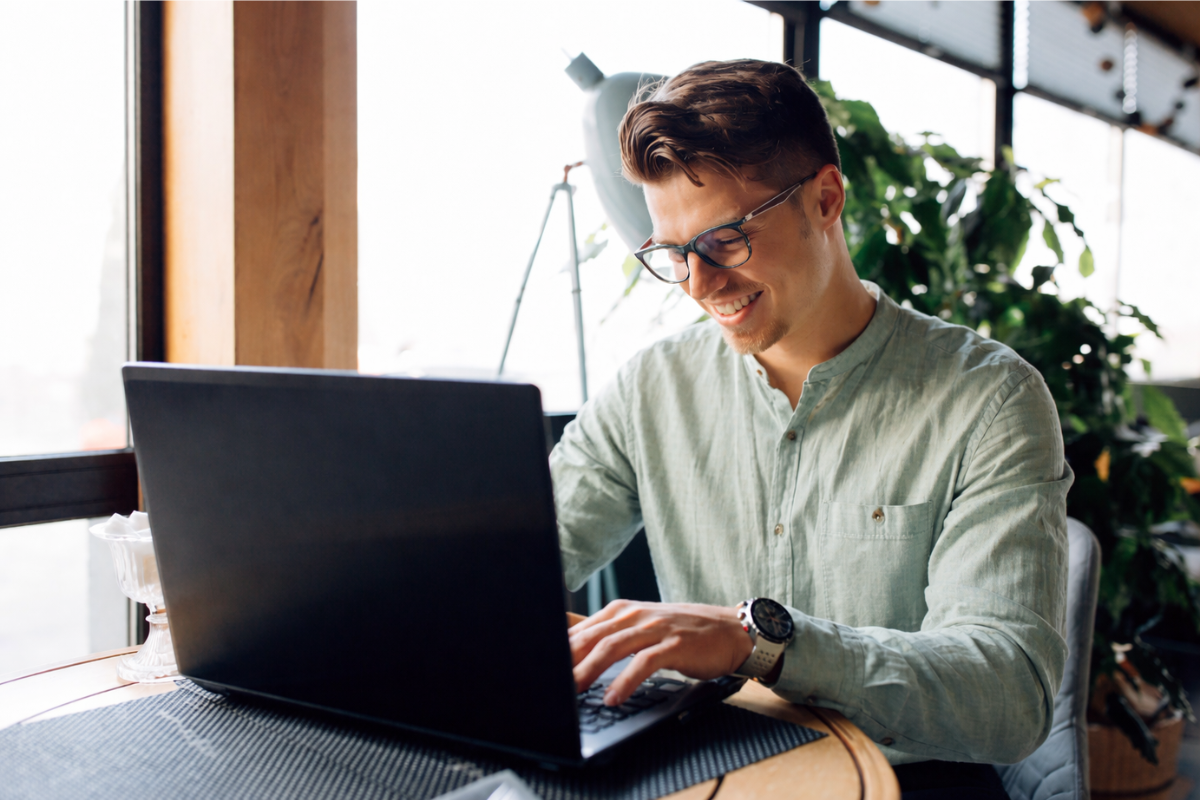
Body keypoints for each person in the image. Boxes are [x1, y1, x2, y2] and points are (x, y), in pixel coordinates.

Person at [549, 59, 1073, 796]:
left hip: (906, 781)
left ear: (825, 199)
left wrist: (757, 642)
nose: (699, 285)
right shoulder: (649, 389)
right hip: (706, 774)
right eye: (673, 253)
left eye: (725, 239)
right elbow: (517, 568)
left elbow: (1008, 694)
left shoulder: (989, 399)